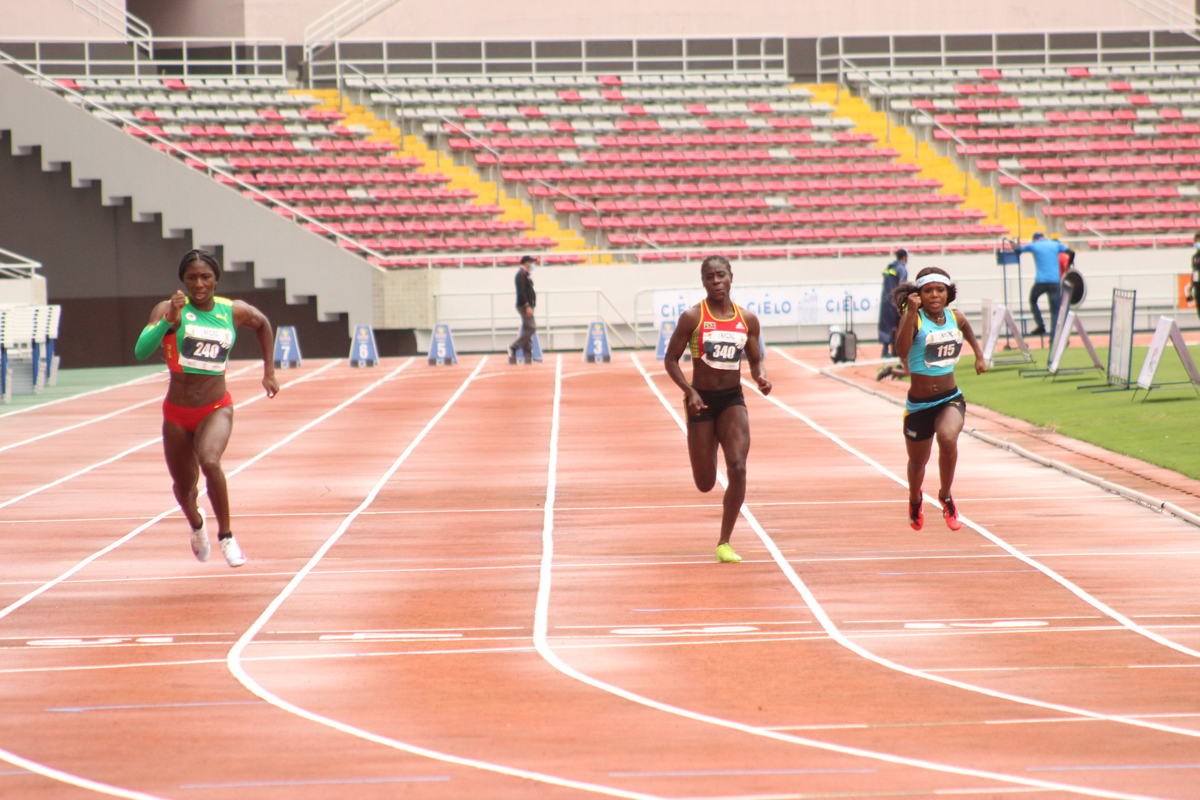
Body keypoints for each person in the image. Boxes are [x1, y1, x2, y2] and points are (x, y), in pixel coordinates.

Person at [134, 249, 279, 567]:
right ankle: (197, 525)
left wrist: (268, 371)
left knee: (210, 461)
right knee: (184, 487)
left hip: (215, 407)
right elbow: (142, 350)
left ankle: (227, 536)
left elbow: (264, 324)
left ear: (216, 279)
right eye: (192, 278)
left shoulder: (233, 311)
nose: (199, 284)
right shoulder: (169, 309)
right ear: (182, 281)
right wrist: (169, 320)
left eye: (205, 277)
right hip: (176, 413)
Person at [664, 255, 771, 563]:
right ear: (703, 281)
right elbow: (670, 360)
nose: (716, 282)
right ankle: (706, 444)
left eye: (720, 275)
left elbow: (755, 358)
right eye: (710, 277)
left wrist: (760, 377)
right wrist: (689, 391)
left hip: (732, 399)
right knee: (705, 482)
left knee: (737, 466)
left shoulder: (747, 319)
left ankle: (724, 542)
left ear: (730, 277)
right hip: (701, 402)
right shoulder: (692, 317)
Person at [893, 267, 987, 532]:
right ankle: (914, 499)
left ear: (948, 294)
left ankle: (946, 496)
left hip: (949, 398)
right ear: (919, 294)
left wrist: (979, 355)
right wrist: (911, 312)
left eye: (940, 290)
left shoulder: (954, 317)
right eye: (928, 290)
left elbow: (967, 329)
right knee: (917, 463)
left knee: (947, 438)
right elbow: (901, 351)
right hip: (919, 406)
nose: (934, 295)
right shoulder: (915, 318)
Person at [1011, 232, 1074, 339]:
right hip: (1055, 282)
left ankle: (1040, 325)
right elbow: (1071, 253)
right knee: (1055, 311)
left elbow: (1018, 250)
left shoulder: (1034, 245)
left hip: (1041, 281)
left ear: (1034, 239)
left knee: (1033, 300)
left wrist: (1012, 243)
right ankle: (1054, 338)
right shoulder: (1055, 244)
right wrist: (1069, 265)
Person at [878, 248, 908, 358]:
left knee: (885, 324)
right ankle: (897, 351)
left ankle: (885, 350)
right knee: (898, 324)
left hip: (885, 299)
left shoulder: (890, 267)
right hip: (894, 300)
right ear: (905, 257)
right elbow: (902, 285)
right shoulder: (901, 269)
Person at [507, 255, 538, 364]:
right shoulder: (521, 275)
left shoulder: (525, 274)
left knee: (527, 329)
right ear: (526, 263)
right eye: (531, 262)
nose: (532, 264)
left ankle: (528, 355)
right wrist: (527, 306)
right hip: (524, 305)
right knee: (531, 328)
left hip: (528, 305)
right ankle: (514, 347)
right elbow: (522, 292)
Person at [1189, 231, 1200, 321]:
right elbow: (1194, 272)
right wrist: (1191, 287)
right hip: (1198, 288)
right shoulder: (1195, 257)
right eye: (1196, 241)